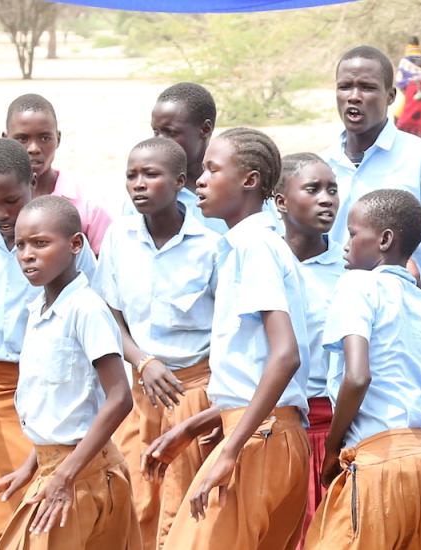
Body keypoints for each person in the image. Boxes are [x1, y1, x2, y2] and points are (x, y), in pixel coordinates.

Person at [145, 128, 312, 550]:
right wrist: (194, 425)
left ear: (250, 181)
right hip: (271, 431)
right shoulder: (253, 245)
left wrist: (230, 450)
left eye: (212, 170)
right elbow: (252, 371)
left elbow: (285, 356)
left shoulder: (253, 246)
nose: (200, 180)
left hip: (259, 437)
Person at [0, 139, 97, 550]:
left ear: (33, 181)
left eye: (10, 200)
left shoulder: (59, 238)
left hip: (55, 397)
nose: (0, 214)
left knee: (46, 524)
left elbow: (93, 319)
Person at [306, 189, 421, 549]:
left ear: (384, 240)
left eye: (353, 233)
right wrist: (415, 448)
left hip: (378, 466)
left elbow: (357, 376)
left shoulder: (357, 285)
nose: (345, 244)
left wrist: (333, 449)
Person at [0, 195, 140, 549]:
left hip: (82, 473)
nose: (27, 254)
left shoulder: (86, 309)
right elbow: (63, 408)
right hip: (56, 469)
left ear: (76, 244)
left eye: (41, 243)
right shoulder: (38, 311)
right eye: (20, 245)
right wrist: (29, 467)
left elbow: (120, 398)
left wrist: (65, 474)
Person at [90, 137, 218, 550]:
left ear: (181, 181)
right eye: (132, 175)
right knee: (135, 499)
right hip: (140, 388)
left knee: (186, 508)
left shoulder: (211, 245)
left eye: (151, 174)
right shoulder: (119, 239)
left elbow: (228, 328)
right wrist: (143, 361)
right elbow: (110, 315)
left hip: (194, 391)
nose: (139, 184)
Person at [325, 45, 421, 274]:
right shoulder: (320, 168)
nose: (354, 97)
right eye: (345, 87)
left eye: (367, 88)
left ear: (390, 96)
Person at [272, 152, 343, 543]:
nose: (327, 198)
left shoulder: (351, 270)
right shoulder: (262, 261)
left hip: (334, 425)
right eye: (313, 189)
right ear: (281, 201)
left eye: (332, 189)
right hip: (276, 424)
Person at [3, 93, 114, 253]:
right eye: (22, 139)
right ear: (6, 140)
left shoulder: (87, 204)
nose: (33, 148)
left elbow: (106, 265)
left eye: (44, 138)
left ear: (58, 139)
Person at [150, 82, 226, 233]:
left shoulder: (236, 188)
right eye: (156, 132)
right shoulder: (149, 191)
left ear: (205, 129)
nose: (160, 142)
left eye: (170, 132)